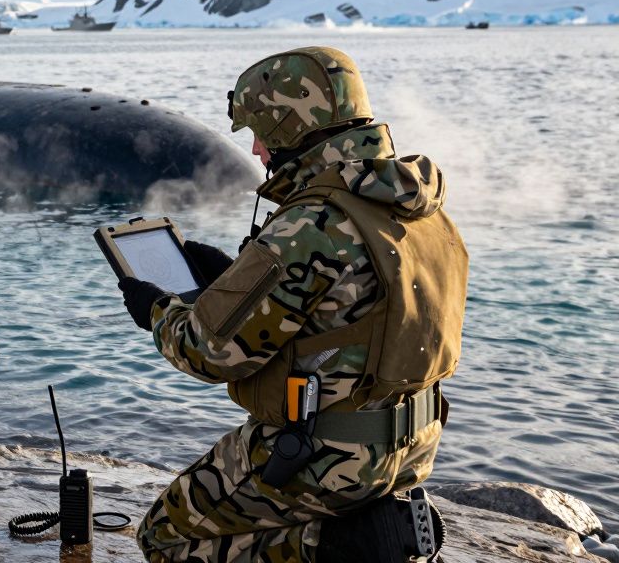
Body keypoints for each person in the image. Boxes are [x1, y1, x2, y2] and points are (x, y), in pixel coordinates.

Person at [118, 47, 467, 563]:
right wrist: (232, 285)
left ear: (293, 126)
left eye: (261, 132)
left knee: (165, 538)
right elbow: (346, 313)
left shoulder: (312, 222)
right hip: (414, 443)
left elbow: (209, 354)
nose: (256, 149)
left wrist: (157, 310)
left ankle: (344, 547)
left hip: (326, 457)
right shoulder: (415, 203)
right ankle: (368, 529)